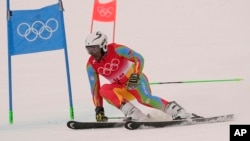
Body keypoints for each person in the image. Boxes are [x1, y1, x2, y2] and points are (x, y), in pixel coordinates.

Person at [85, 31, 201, 122]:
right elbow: (94, 89)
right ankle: (135, 114)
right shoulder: (91, 65)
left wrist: (135, 76)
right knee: (103, 90)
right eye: (89, 49)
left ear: (103, 46)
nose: (92, 53)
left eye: (94, 49)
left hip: (135, 81)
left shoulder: (116, 49)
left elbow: (139, 58)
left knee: (144, 99)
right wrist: (99, 109)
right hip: (120, 87)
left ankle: (179, 112)